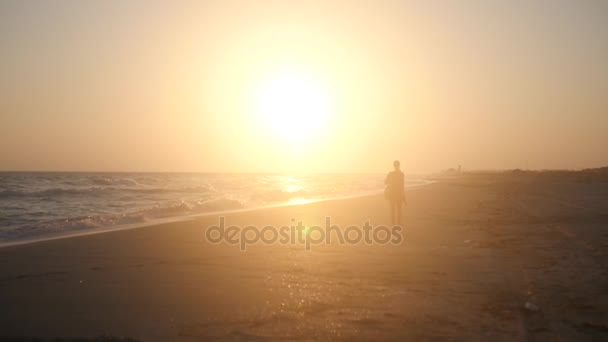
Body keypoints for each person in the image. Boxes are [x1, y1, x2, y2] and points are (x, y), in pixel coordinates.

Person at [385, 160, 406, 225]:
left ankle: (393, 225)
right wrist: (404, 197)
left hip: (392, 194)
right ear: (399, 165)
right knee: (399, 210)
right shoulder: (401, 174)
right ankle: (398, 224)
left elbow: (385, 182)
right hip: (399, 194)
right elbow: (402, 186)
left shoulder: (390, 174)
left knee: (392, 210)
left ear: (394, 165)